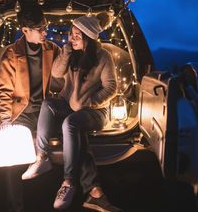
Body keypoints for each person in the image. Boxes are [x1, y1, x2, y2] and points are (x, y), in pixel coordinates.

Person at [22, 13, 123, 212]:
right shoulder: (71, 52)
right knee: (48, 104)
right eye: (71, 34)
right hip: (69, 105)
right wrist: (66, 52)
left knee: (70, 123)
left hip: (96, 112)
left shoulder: (103, 57)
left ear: (88, 36)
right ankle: (41, 158)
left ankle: (68, 182)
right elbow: (57, 73)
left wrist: (90, 102)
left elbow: (111, 87)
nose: (71, 38)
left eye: (77, 35)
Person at [0, 4, 61, 212]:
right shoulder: (11, 54)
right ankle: (16, 206)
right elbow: (4, 90)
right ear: (25, 29)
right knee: (13, 159)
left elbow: (65, 75)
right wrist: (5, 119)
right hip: (21, 112)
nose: (46, 32)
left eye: (46, 27)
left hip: (46, 111)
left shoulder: (53, 50)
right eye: (40, 28)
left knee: (65, 147)